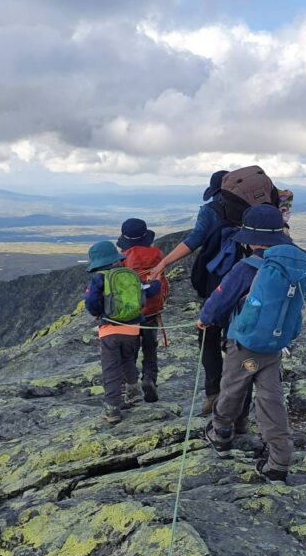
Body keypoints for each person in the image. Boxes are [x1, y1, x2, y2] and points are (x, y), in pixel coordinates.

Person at [199, 204, 306, 484]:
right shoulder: (291, 266)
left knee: (233, 387)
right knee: (271, 398)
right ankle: (279, 459)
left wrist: (205, 318)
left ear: (252, 240)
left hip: (245, 344)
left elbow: (222, 297)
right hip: (273, 345)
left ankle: (221, 432)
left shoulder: (246, 268)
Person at [149, 170, 230, 413]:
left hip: (216, 281)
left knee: (209, 335)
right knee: (240, 339)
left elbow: (195, 240)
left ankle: (214, 395)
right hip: (251, 278)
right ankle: (240, 403)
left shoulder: (211, 210)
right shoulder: (253, 208)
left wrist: (164, 263)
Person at [84, 240, 162, 424]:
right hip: (133, 329)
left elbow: (91, 301)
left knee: (111, 369)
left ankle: (112, 409)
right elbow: (149, 292)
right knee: (128, 361)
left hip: (110, 329)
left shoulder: (99, 278)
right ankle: (134, 394)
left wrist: (97, 313)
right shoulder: (131, 275)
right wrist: (157, 280)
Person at [117, 218, 167, 403]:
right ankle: (149, 379)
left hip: (131, 312)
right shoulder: (157, 254)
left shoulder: (124, 257)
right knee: (150, 347)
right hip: (152, 309)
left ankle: (128, 385)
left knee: (129, 351)